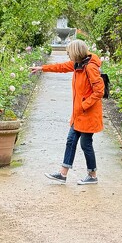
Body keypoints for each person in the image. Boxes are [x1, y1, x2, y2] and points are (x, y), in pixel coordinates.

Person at [32, 39, 105, 185]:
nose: (68, 55)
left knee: (86, 144)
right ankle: (62, 174)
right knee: (71, 141)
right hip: (79, 114)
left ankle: (92, 175)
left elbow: (99, 91)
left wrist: (84, 105)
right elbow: (61, 67)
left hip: (88, 114)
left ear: (76, 52)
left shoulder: (89, 67)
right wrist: (42, 68)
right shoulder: (79, 63)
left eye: (69, 52)